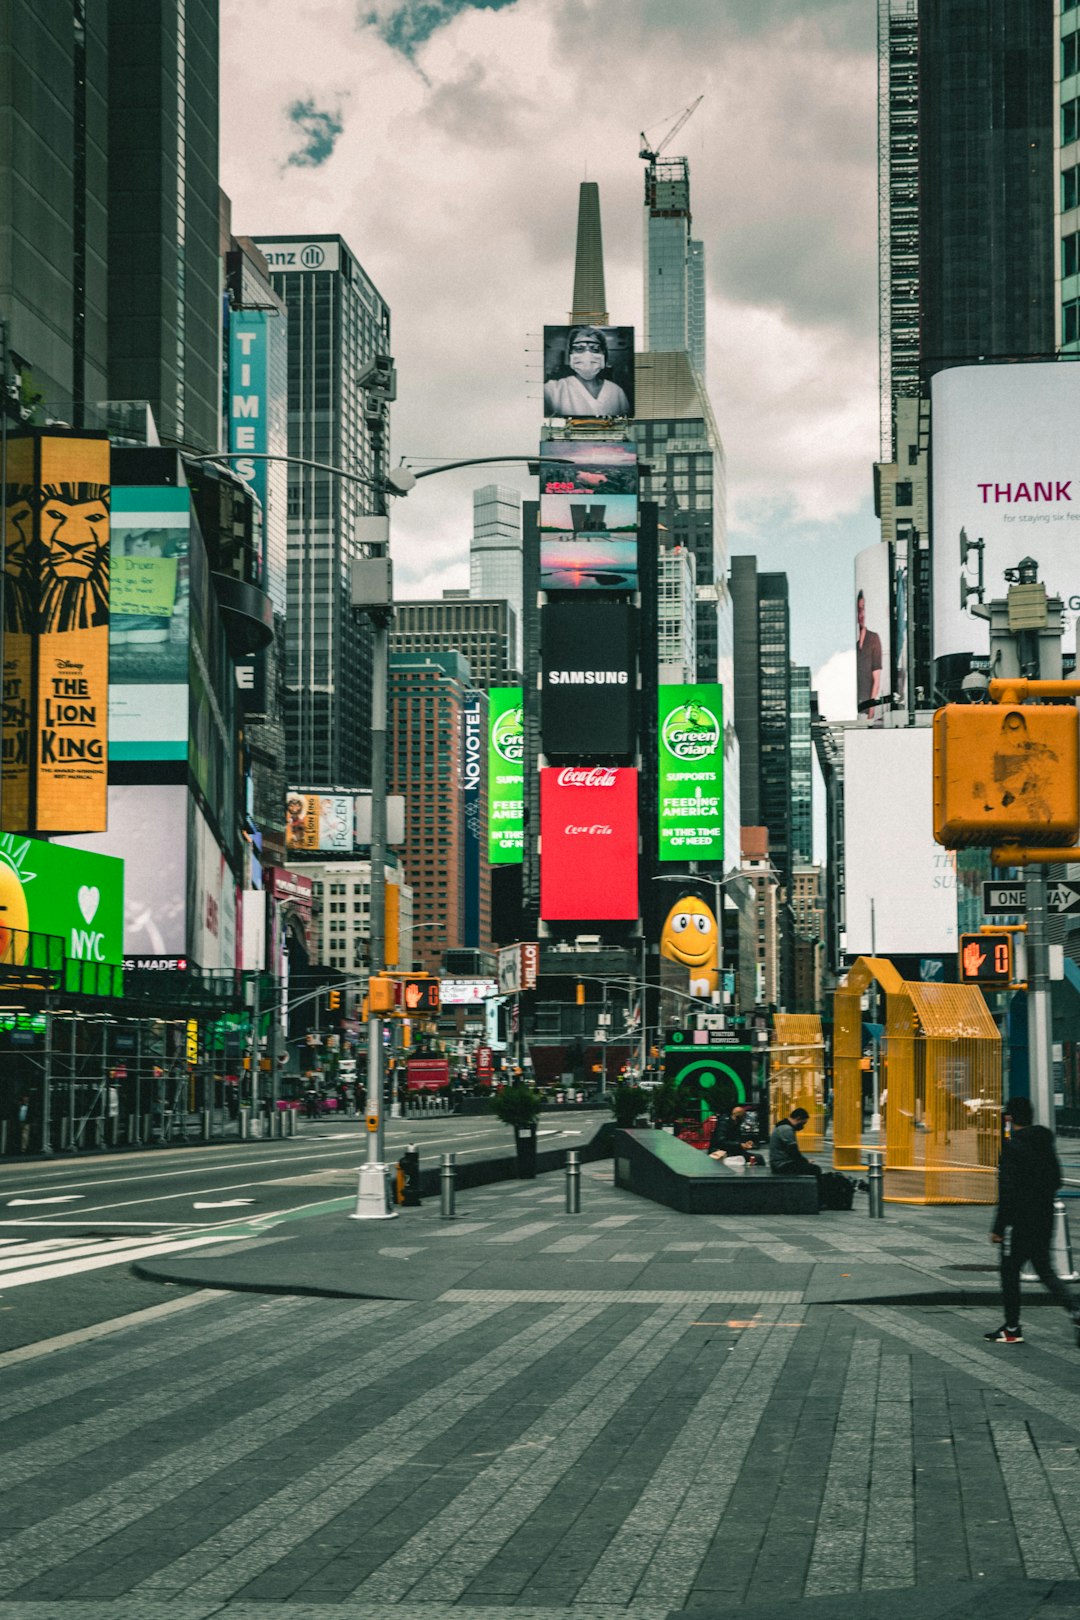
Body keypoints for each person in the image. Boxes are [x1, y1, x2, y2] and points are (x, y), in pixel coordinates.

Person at [986, 1094, 1080, 1345]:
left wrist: (998, 1227)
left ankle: (1012, 1327)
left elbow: (1007, 1191)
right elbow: (1056, 1179)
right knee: (1043, 1267)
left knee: (1009, 1271)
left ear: (1009, 1118)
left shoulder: (1012, 1146)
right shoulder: (1044, 1141)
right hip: (1044, 1215)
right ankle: (1074, 1307)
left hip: (1019, 1220)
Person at [543, 327, 631, 418]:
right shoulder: (552, 391)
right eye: (579, 349)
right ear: (570, 355)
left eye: (595, 349)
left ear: (604, 355)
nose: (587, 355)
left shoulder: (616, 391)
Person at [768, 1106, 822, 1179]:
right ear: (798, 1118)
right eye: (803, 1123)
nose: (802, 1126)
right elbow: (793, 1151)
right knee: (815, 1169)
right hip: (781, 1165)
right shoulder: (786, 1129)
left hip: (779, 1163)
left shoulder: (782, 1127)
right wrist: (805, 1162)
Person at [856, 590, 883, 719]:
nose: (861, 614)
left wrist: (871, 712)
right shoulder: (851, 643)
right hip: (851, 708)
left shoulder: (873, 639)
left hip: (867, 710)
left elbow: (876, 680)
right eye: (857, 610)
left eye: (863, 609)